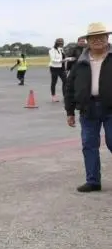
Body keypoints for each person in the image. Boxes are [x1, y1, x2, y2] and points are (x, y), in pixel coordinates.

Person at [65, 22, 112, 193]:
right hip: (88, 108)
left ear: (107, 38)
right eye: (93, 37)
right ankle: (93, 181)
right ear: (88, 41)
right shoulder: (80, 62)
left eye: (101, 37)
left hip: (111, 109)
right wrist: (70, 111)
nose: (97, 40)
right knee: (89, 145)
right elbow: (69, 88)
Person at [48, 38, 66, 102]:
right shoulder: (52, 50)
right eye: (60, 42)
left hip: (62, 68)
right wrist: (61, 61)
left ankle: (65, 96)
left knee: (65, 81)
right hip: (54, 68)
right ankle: (53, 96)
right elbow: (53, 59)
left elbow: (63, 57)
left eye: (62, 42)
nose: (61, 43)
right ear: (56, 42)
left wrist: (67, 59)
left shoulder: (61, 49)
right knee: (54, 82)